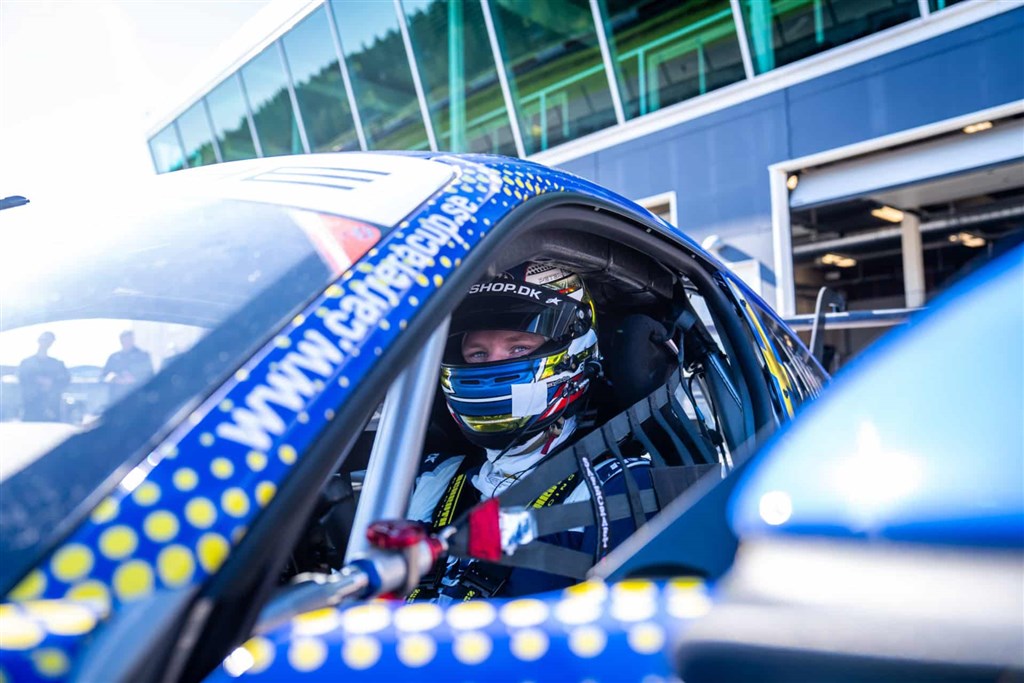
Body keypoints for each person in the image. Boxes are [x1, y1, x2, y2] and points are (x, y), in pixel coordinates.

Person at [404, 262, 653, 602]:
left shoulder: (614, 487)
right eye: (477, 353)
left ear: (577, 353)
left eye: (518, 348)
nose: (492, 368)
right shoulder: (435, 477)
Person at [18, 331, 70, 422]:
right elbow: (22, 378)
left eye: (48, 341)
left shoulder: (57, 364)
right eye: (44, 340)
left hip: (52, 408)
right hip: (31, 408)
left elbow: (65, 380)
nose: (45, 343)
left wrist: (52, 383)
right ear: (39, 341)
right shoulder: (27, 363)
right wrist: (37, 381)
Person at [102, 330, 153, 403]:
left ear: (133, 340)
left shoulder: (143, 356)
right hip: (117, 398)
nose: (127, 342)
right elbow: (105, 374)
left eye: (129, 339)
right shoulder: (114, 357)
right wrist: (115, 378)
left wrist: (135, 379)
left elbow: (150, 376)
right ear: (121, 341)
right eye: (125, 340)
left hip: (136, 396)